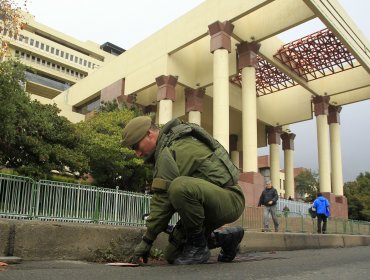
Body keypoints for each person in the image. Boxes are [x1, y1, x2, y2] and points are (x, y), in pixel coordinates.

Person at [121, 116, 245, 265]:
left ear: (149, 134)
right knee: (173, 254)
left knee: (179, 187)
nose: (138, 154)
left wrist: (146, 242)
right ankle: (227, 239)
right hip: (209, 203)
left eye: (136, 146)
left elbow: (163, 202)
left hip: (229, 199)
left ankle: (199, 247)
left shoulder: (173, 149)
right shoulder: (168, 146)